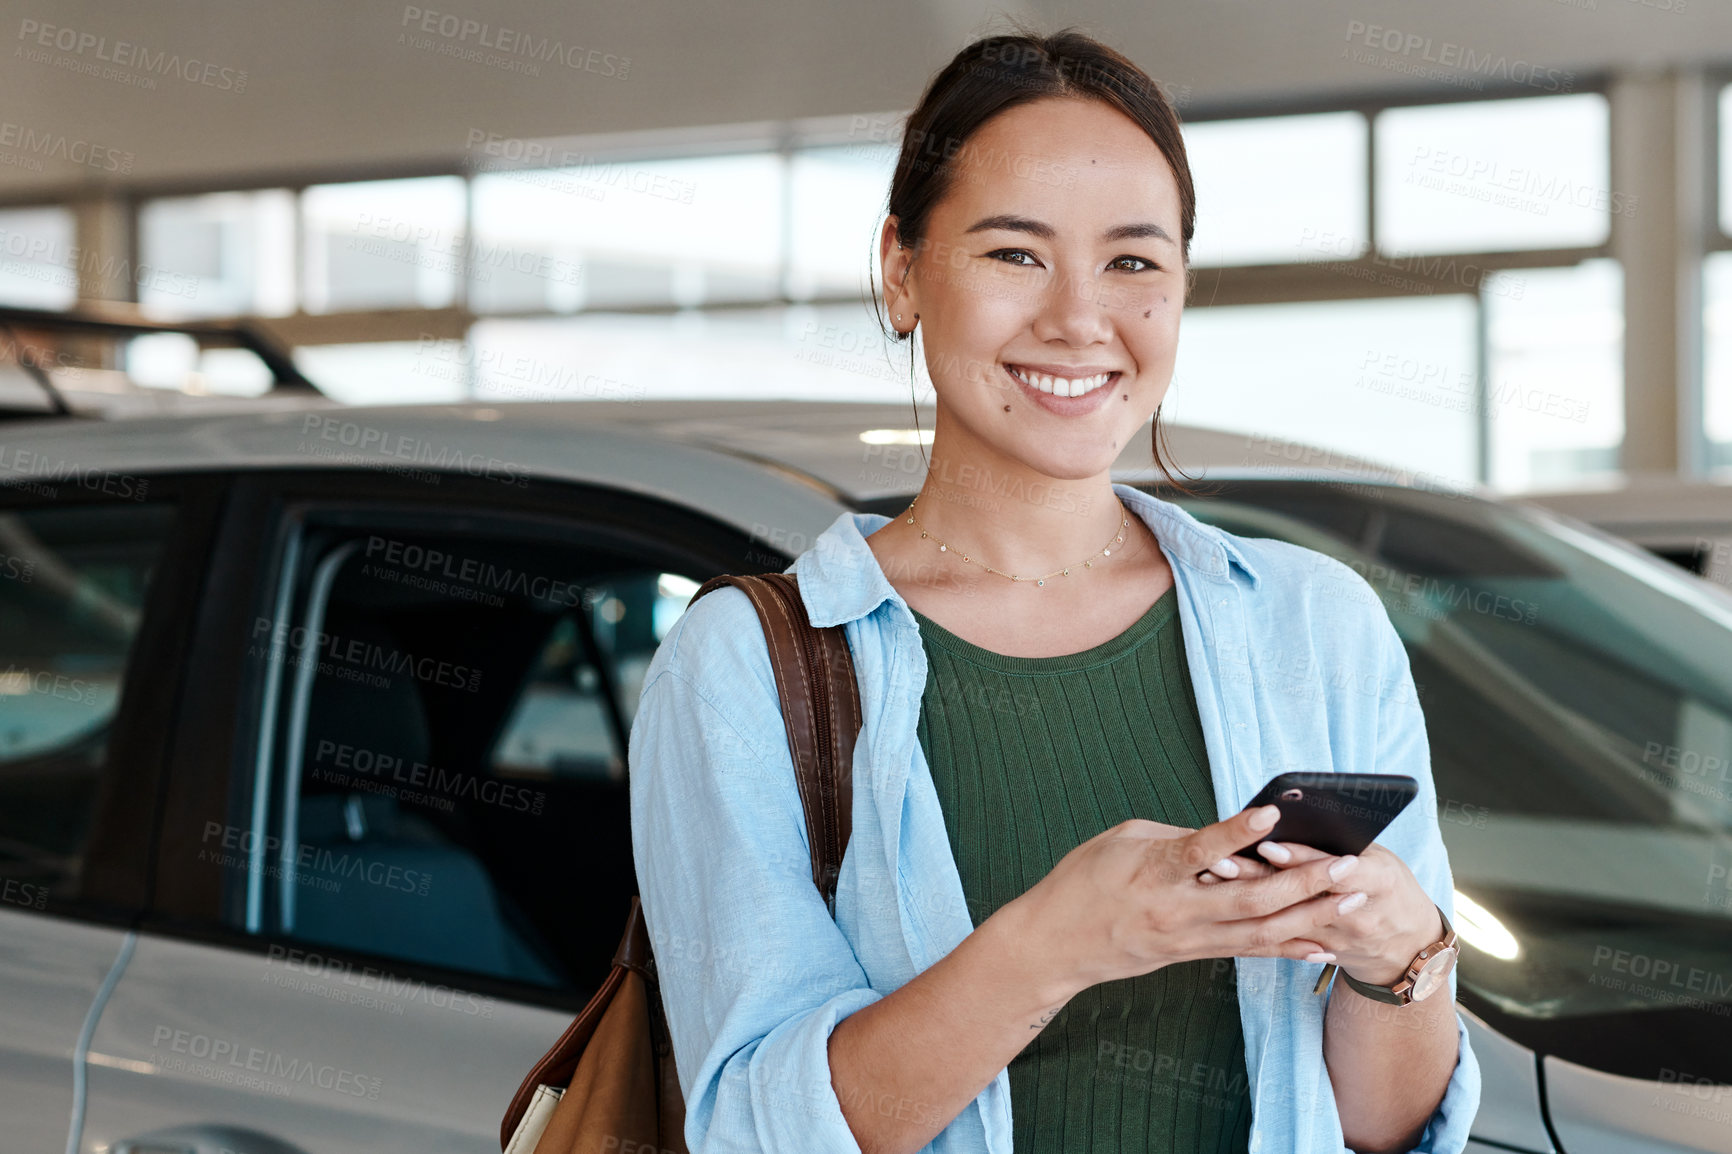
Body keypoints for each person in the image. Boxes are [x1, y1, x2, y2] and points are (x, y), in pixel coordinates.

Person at [629, 23, 1480, 1154]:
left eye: (1134, 261)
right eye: (1014, 254)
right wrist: (1060, 940)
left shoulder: (1315, 624)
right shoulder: (746, 663)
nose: (1081, 318)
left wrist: (1402, 951)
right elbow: (754, 1127)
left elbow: (1387, 1128)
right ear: (901, 269)